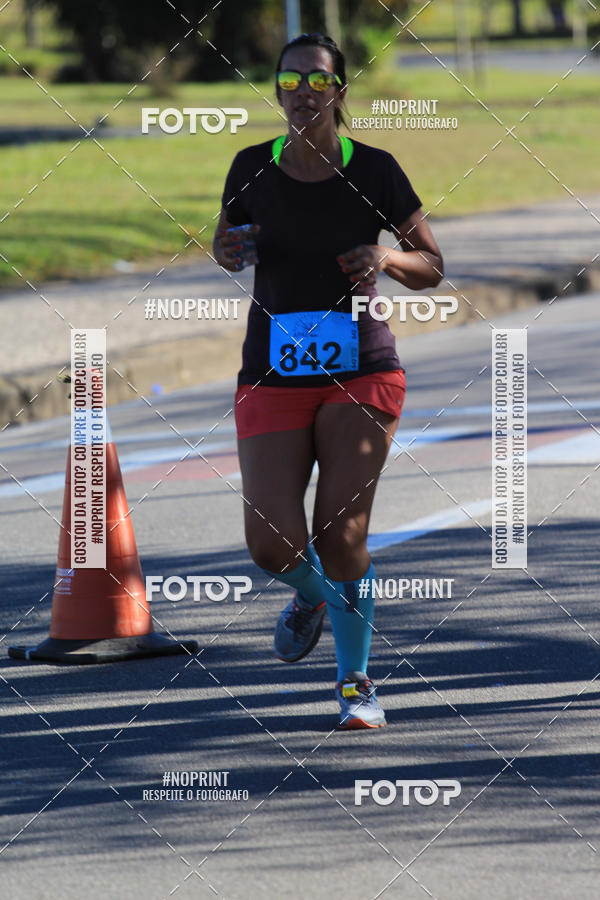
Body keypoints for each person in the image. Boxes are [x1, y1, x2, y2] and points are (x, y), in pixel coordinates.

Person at [213, 32, 443, 729]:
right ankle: (314, 596)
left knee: (342, 533)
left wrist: (386, 257)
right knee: (271, 545)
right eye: (290, 82)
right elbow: (227, 245)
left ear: (340, 92)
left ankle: (356, 684)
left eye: (317, 81)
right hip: (275, 371)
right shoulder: (253, 166)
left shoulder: (374, 170)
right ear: (278, 92)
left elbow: (431, 262)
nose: (304, 93)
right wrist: (228, 248)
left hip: (363, 371)